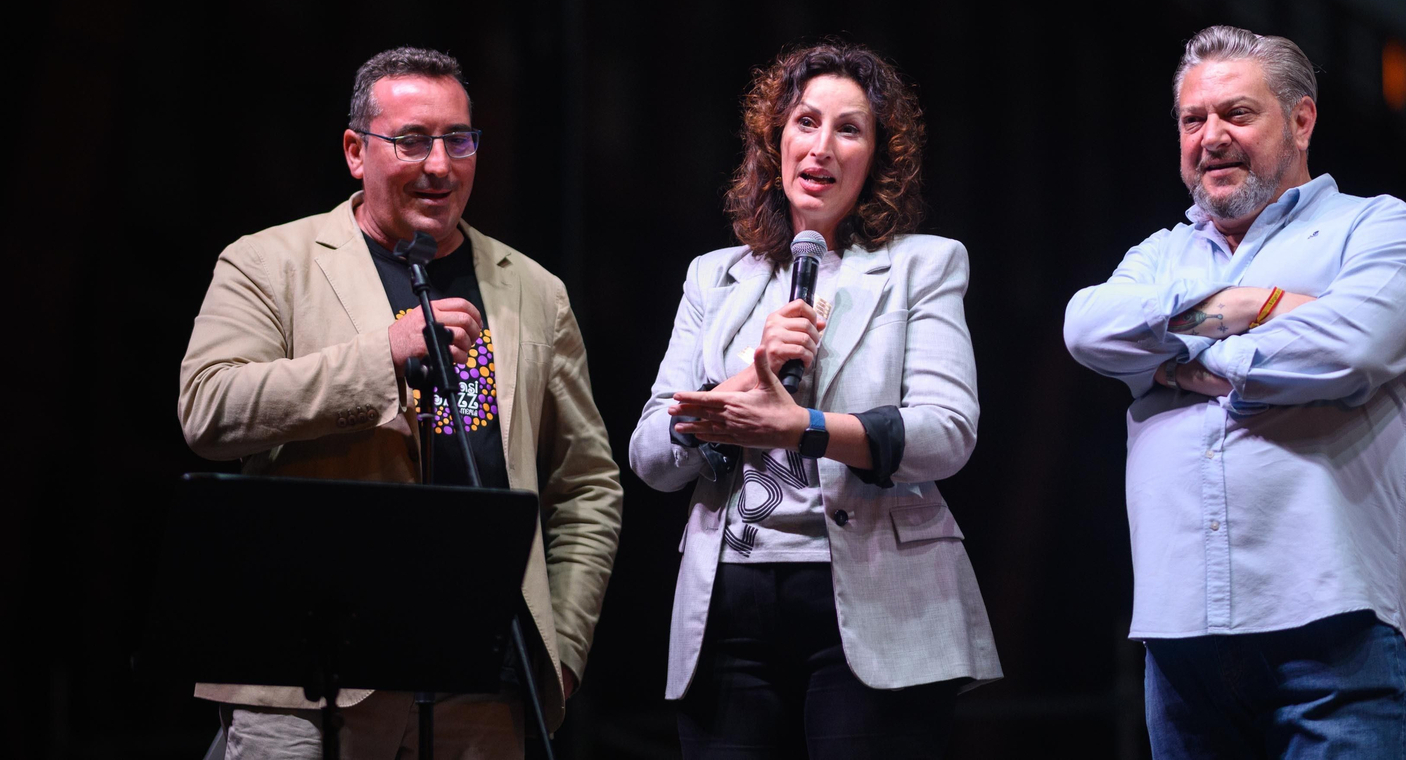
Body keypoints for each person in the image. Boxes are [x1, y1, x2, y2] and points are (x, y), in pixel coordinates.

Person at [178, 46, 623, 759]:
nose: (440, 166)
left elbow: (587, 485)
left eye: (459, 140)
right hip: (314, 681)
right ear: (356, 152)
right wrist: (383, 355)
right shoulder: (271, 263)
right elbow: (209, 409)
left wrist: (562, 648)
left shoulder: (534, 291)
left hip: (485, 685)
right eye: (412, 141)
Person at [1062, 25, 1406, 759]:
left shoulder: (1379, 228)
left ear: (1301, 120)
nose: (1212, 137)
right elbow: (1087, 328)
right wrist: (1260, 305)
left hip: (1333, 621)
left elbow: (1352, 346)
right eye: (1192, 119)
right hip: (1180, 635)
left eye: (1237, 114)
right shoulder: (1160, 251)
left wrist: (1177, 359)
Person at [629, 42, 1001, 759]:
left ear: (877, 158)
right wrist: (745, 382)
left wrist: (804, 429)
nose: (821, 146)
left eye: (849, 129)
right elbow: (650, 454)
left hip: (877, 599)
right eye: (805, 122)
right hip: (728, 606)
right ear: (776, 142)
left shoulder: (923, 265)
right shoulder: (715, 279)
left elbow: (946, 432)